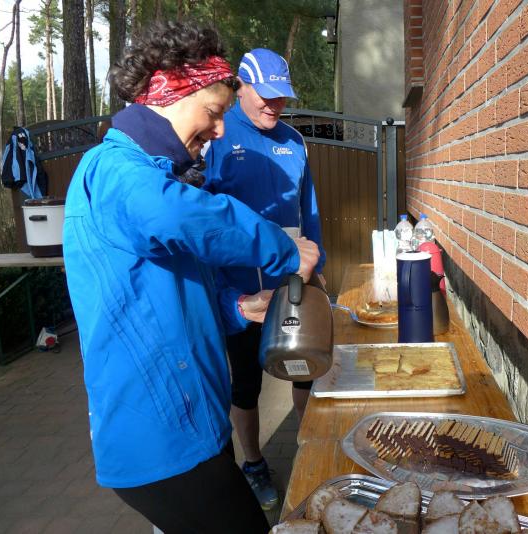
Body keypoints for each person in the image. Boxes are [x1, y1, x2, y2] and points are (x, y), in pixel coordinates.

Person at [62, 22, 319, 533]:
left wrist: (237, 307)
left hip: (194, 422)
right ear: (171, 93)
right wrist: (282, 247)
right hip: (158, 438)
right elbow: (184, 216)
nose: (220, 130)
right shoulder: (113, 170)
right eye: (214, 112)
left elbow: (173, 288)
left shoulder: (155, 174)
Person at [203, 48, 325, 510]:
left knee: (305, 372)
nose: (274, 105)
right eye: (265, 96)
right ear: (241, 87)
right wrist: (226, 292)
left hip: (292, 285)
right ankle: (254, 464)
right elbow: (203, 221)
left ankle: (310, 454)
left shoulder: (294, 141)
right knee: (246, 385)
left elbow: (308, 212)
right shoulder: (217, 136)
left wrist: (317, 269)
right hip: (241, 291)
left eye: (282, 96)